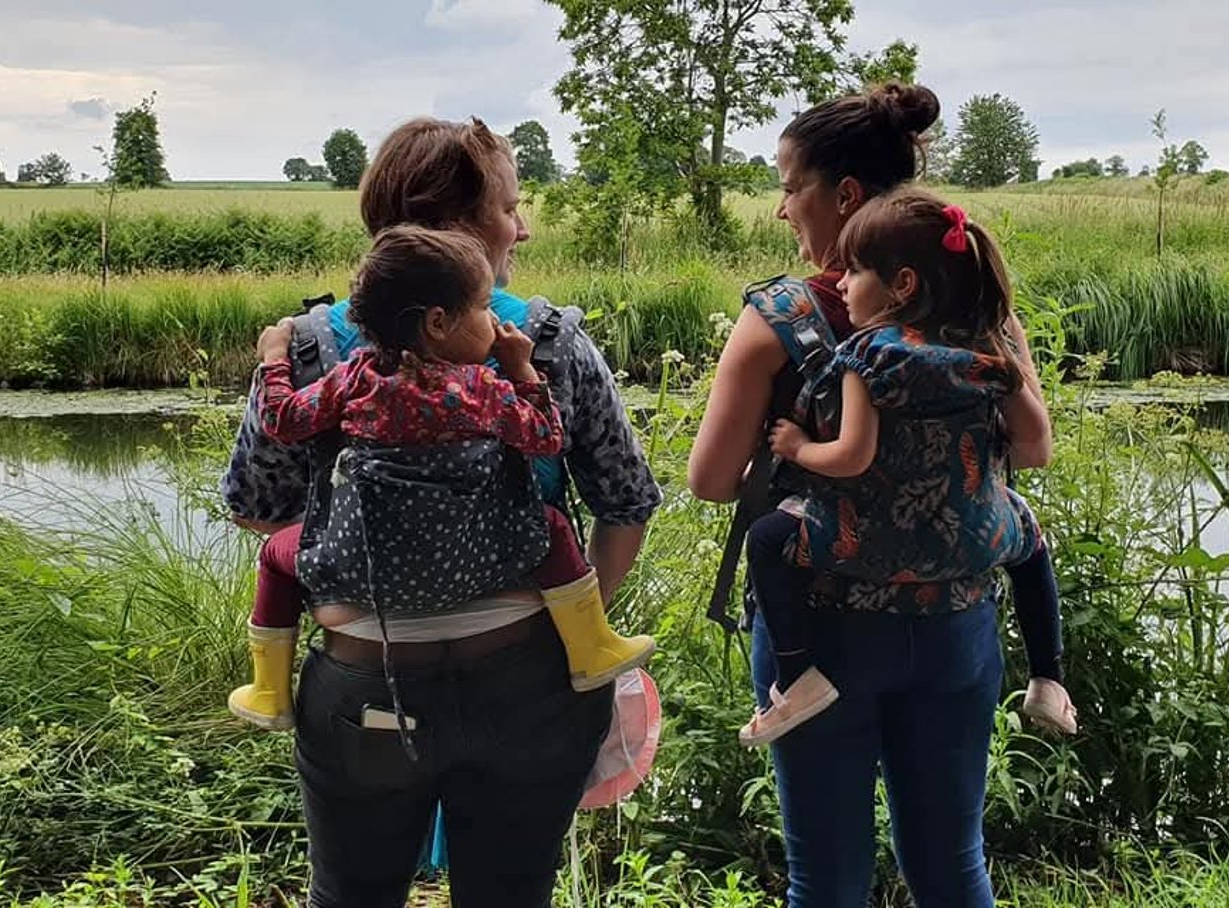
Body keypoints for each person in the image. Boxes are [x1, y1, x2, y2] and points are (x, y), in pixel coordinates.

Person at [220, 116, 660, 908]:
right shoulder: (546, 342)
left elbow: (256, 506)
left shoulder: (316, 348)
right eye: (509, 207)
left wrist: (364, 552)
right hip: (531, 684)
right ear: (453, 222)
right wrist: (575, 626)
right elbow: (626, 501)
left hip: (364, 687)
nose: (521, 227)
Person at [687, 83, 1055, 907]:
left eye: (789, 185)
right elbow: (1029, 448)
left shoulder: (780, 314)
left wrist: (794, 446)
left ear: (844, 194)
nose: (784, 210)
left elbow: (710, 483)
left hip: (820, 631)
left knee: (828, 880)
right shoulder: (979, 314)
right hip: (956, 620)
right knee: (954, 867)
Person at [226, 225, 654, 731]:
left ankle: (270, 688)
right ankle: (592, 645)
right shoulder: (479, 389)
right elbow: (546, 436)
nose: (494, 319)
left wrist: (275, 358)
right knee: (553, 526)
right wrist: (522, 367)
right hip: (480, 563)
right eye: (481, 308)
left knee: (276, 560)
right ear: (437, 322)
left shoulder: (350, 379)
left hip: (366, 574)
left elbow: (283, 420)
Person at [738, 188, 1074, 747]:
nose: (840, 282)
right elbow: (1036, 450)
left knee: (768, 539)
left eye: (855, 271)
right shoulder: (988, 349)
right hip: (972, 541)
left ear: (904, 285)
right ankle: (1047, 678)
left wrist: (796, 447)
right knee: (1032, 543)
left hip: (863, 546)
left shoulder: (869, 355)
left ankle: (796, 678)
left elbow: (852, 457)